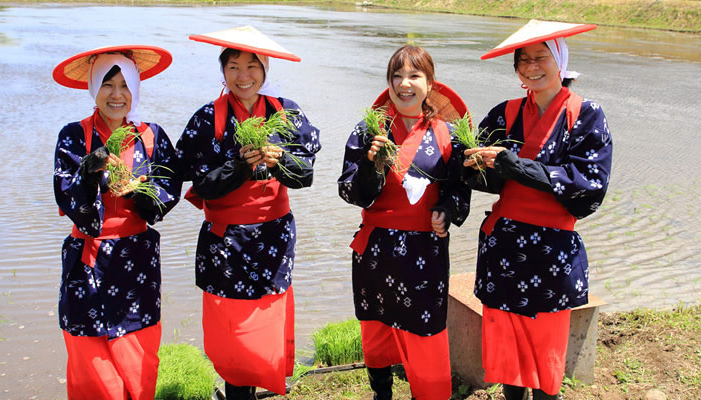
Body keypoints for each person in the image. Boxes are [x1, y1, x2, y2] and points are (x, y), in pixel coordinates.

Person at [463, 20, 613, 400]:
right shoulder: (504, 113)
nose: (531, 66)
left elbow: (590, 186)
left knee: (546, 355)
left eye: (541, 57)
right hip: (504, 247)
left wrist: (517, 166)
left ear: (560, 60)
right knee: (508, 353)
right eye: (523, 59)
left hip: (552, 249)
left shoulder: (585, 115)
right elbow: (485, 180)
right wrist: (468, 164)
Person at [176, 26, 321, 400]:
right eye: (234, 66)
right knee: (233, 332)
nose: (244, 76)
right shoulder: (207, 118)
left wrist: (280, 159)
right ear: (222, 71)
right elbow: (197, 184)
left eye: (252, 65)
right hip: (225, 241)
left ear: (266, 67)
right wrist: (239, 167)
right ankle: (237, 390)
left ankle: (257, 386)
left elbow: (305, 176)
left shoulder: (285, 113)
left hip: (273, 237)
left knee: (265, 325)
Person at [337, 45, 472, 400]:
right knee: (376, 331)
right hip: (375, 251)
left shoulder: (449, 134)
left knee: (426, 336)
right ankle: (381, 394)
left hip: (424, 253)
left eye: (414, 75)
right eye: (396, 76)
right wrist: (370, 165)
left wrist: (447, 211)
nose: (404, 84)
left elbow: (459, 189)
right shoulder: (369, 132)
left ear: (430, 84)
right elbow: (349, 191)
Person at [52, 45, 181, 399]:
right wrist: (91, 175)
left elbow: (167, 195)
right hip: (87, 260)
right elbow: (68, 199)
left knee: (137, 360)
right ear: (94, 87)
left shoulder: (151, 136)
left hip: (136, 260)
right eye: (108, 84)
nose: (117, 94)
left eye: (125, 85)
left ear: (136, 89)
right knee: (92, 365)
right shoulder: (73, 137)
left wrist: (136, 192)